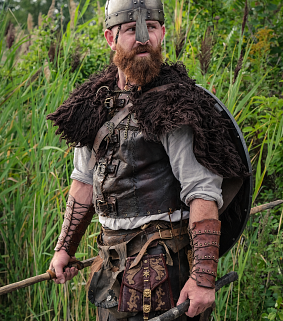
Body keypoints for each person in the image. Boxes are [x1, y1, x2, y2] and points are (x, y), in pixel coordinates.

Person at [47, 1, 249, 320]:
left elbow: (203, 193)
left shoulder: (177, 106)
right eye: (131, 29)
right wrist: (64, 249)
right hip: (112, 268)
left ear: (163, 33)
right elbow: (83, 182)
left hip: (168, 273)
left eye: (151, 28)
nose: (143, 38)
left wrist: (202, 280)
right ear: (110, 38)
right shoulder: (92, 105)